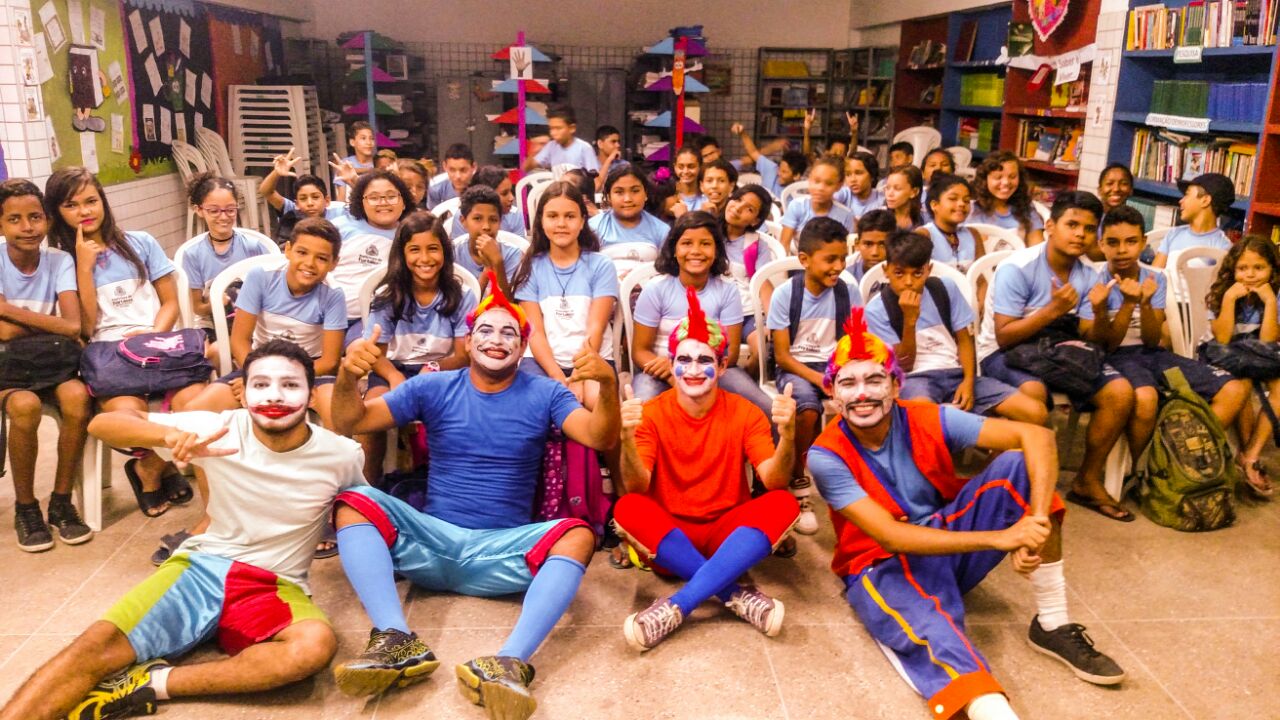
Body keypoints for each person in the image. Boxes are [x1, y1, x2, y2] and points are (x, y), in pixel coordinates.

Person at [0, 341, 363, 720]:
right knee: (95, 647)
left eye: (290, 385)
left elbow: (364, 513)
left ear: (311, 395)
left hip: (276, 584)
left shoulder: (341, 454)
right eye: (261, 385)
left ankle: (151, 683)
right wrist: (165, 437)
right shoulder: (218, 427)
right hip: (199, 569)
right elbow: (102, 424)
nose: (274, 395)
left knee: (312, 647)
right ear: (243, 394)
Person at [325, 278, 620, 720]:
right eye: (486, 330)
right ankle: (395, 639)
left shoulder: (547, 393)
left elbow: (600, 436)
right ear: (469, 340)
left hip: (502, 554)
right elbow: (351, 422)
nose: (496, 340)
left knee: (577, 535)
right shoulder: (432, 387)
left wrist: (608, 387)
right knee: (353, 499)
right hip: (431, 544)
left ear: (522, 347)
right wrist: (349, 377)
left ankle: (509, 663)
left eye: (508, 333)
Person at [808, 311, 1125, 720]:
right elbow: (890, 537)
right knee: (938, 632)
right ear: (832, 393)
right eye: (848, 383)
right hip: (881, 564)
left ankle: (1052, 620)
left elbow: (1037, 436)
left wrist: (1035, 523)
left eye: (874, 380)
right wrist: (1002, 538)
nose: (862, 394)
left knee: (1018, 464)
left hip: (945, 541)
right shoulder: (824, 455)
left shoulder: (927, 417)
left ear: (896, 385)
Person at [615, 289, 800, 650]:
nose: (694, 370)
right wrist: (626, 439)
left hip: (727, 538)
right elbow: (637, 486)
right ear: (672, 364)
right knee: (627, 507)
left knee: (784, 502)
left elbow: (774, 480)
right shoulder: (650, 413)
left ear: (723, 365)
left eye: (705, 360)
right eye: (684, 359)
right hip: (672, 542)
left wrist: (788, 437)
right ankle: (733, 592)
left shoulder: (746, 412)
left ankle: (679, 604)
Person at [46, 167, 203, 520]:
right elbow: (85, 327)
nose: (85, 211)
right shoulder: (61, 260)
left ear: (103, 200)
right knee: (125, 417)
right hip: (109, 355)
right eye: (71, 205)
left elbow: (170, 302)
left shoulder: (140, 242)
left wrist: (153, 335)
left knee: (197, 404)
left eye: (91, 201)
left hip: (157, 344)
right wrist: (83, 268)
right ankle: (159, 465)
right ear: (57, 212)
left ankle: (148, 468)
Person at [977, 192, 1136, 521]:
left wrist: (1101, 311)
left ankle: (1086, 480)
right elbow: (1004, 335)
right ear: (1050, 226)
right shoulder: (1017, 268)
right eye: (1072, 225)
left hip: (1060, 350)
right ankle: (1008, 486)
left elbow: (1095, 341)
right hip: (1004, 352)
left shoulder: (1089, 274)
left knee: (1120, 392)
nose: (1080, 234)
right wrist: (1054, 309)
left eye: (1089, 229)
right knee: (1032, 393)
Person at [1093, 206, 1245, 468]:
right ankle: (1142, 469)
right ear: (1101, 245)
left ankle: (1178, 465)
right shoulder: (1094, 278)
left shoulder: (1156, 278)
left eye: (1131, 242)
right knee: (1146, 397)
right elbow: (1106, 345)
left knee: (1233, 389)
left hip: (1150, 353)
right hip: (1113, 357)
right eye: (1113, 242)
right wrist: (1128, 304)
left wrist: (1146, 304)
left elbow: (1152, 340)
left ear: (1143, 243)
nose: (1122, 250)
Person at [866, 230, 1047, 424]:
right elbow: (905, 365)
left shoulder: (944, 288)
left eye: (917, 273)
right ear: (886, 271)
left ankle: (992, 441)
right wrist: (910, 321)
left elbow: (964, 340)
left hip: (956, 373)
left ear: (929, 269)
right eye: (899, 273)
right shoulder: (877, 309)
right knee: (925, 418)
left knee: (1036, 412)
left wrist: (968, 381)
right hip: (915, 380)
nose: (908, 282)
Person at [0, 179, 93, 551]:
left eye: (35, 217)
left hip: (51, 366)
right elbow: (2, 334)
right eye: (15, 219)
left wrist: (9, 311)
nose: (27, 227)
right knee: (25, 406)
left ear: (48, 220)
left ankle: (61, 501)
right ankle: (26, 508)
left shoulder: (59, 260)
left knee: (78, 398)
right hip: (8, 371)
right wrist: (49, 324)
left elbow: (73, 325)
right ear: (1, 224)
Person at [362, 210, 476, 480]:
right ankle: (369, 485)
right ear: (402, 254)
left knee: (462, 415)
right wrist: (395, 377)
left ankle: (452, 480)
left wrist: (434, 367)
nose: (425, 258)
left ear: (445, 252)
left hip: (444, 371)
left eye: (433, 249)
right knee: (370, 417)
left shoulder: (462, 295)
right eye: (415, 250)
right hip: (394, 368)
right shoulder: (388, 296)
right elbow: (376, 355)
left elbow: (463, 355)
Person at [767, 217, 863, 536]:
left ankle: (860, 481)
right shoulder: (786, 294)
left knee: (870, 401)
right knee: (806, 410)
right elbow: (783, 356)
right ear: (805, 259)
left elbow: (855, 343)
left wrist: (841, 375)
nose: (839, 266)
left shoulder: (849, 292)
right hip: (797, 366)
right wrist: (821, 379)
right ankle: (799, 481)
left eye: (843, 258)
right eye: (830, 259)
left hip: (838, 365)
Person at [631, 212, 772, 420]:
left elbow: (731, 353)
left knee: (766, 410)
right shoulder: (655, 289)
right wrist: (673, 371)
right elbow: (640, 351)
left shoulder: (727, 291)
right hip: (660, 371)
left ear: (716, 251)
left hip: (713, 370)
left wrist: (700, 371)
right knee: (641, 415)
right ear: (674, 249)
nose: (696, 251)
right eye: (686, 243)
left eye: (705, 244)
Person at [514, 181, 619, 410]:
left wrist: (579, 377)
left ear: (582, 221)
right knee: (535, 404)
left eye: (570, 216)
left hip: (593, 357)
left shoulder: (601, 265)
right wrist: (558, 377)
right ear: (541, 221)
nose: (561, 224)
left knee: (597, 403)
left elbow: (595, 328)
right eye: (552, 216)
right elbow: (535, 332)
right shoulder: (531, 266)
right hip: (543, 361)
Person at [1202, 235, 1280, 496]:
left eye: (1259, 268)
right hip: (1226, 355)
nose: (1250, 275)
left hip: (1262, 357)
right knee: (1242, 382)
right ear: (1232, 269)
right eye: (1243, 268)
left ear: (1272, 269)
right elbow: (1223, 338)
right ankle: (1248, 458)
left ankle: (1250, 453)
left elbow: (1268, 342)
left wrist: (1270, 302)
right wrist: (1229, 300)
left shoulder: (1276, 295)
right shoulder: (1223, 291)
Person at [181, 172, 274, 337]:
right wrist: (216, 303)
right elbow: (198, 308)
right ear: (199, 210)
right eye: (214, 211)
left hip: (255, 324)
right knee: (213, 350)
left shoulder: (253, 246)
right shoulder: (193, 254)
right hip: (212, 325)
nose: (223, 217)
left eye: (230, 210)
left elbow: (273, 290)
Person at [329, 169, 414, 343]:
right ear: (362, 203)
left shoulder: (411, 235)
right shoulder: (339, 226)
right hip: (324, 311)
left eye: (391, 196)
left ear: (404, 202)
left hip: (372, 318)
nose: (383, 203)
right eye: (374, 198)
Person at [453, 185, 527, 299]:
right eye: (477, 218)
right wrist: (488, 269)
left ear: (500, 222)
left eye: (493, 220)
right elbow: (468, 307)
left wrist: (497, 263)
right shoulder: (453, 254)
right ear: (463, 221)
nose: (486, 226)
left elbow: (508, 303)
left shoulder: (513, 254)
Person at [1151, 172, 1234, 269]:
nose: (1181, 201)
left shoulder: (1222, 247)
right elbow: (1154, 274)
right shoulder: (1173, 234)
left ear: (1205, 201)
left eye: (1187, 195)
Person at [780, 155, 855, 253]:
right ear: (809, 180)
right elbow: (784, 244)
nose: (820, 188)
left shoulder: (846, 215)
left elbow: (848, 250)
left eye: (828, 183)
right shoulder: (797, 206)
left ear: (839, 186)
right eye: (816, 181)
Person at [258, 147, 334, 243]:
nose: (310, 203)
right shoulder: (292, 213)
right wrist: (277, 173)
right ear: (297, 204)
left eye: (315, 197)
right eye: (303, 198)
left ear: (327, 201)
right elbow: (266, 192)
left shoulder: (340, 216)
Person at [968, 152, 1044, 246]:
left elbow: (1037, 246)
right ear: (985, 180)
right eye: (998, 177)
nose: (1006, 182)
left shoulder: (1026, 207)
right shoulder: (972, 210)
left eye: (1012, 177)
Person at [590, 165, 670, 250]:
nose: (628, 199)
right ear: (608, 197)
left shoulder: (662, 230)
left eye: (635, 191)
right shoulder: (593, 228)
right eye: (619, 192)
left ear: (646, 194)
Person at [918, 174, 985, 273]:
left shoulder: (973, 234)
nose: (962, 204)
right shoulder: (924, 235)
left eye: (966, 200)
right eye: (953, 199)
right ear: (934, 205)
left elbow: (982, 274)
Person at [730, 121, 806, 198]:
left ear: (796, 176)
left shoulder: (800, 191)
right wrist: (743, 133)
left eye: (784, 172)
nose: (779, 173)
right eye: (779, 169)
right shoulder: (771, 169)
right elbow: (753, 152)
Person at [453, 165, 527, 239]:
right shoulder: (463, 215)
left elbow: (520, 244)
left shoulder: (515, 215)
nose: (512, 198)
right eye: (504, 193)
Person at [526, 105, 598, 173]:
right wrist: (533, 152)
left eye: (558, 128)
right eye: (551, 128)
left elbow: (595, 178)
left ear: (572, 128)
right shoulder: (551, 146)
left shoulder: (584, 148)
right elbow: (527, 168)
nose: (553, 133)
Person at [835, 151, 886, 221]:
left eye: (858, 173)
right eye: (848, 174)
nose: (852, 179)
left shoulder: (881, 199)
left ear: (872, 176)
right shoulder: (845, 194)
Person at [334, 120, 376, 201]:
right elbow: (341, 199)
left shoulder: (378, 162)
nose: (369, 142)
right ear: (352, 142)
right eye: (363, 138)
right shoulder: (345, 164)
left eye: (372, 139)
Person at [850, 209, 894, 283]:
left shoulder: (904, 276)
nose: (875, 252)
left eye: (883, 245)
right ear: (857, 244)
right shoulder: (846, 278)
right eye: (868, 244)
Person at [427, 143, 476, 209]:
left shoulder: (483, 184)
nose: (458, 176)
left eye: (463, 170)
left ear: (473, 167)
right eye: (452, 170)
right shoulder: (435, 188)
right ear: (445, 166)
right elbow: (433, 214)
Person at [920, 149, 957, 223]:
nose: (938, 168)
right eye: (932, 165)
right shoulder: (916, 197)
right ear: (922, 173)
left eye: (944, 164)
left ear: (953, 171)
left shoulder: (961, 198)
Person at [884, 164, 924, 231]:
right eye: (887, 188)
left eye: (897, 189)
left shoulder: (926, 220)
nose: (890, 194)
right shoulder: (878, 217)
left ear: (914, 192)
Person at [671, 146, 706, 214]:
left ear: (700, 167)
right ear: (675, 167)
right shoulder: (669, 197)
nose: (685, 171)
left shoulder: (707, 196)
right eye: (681, 167)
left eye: (691, 166)